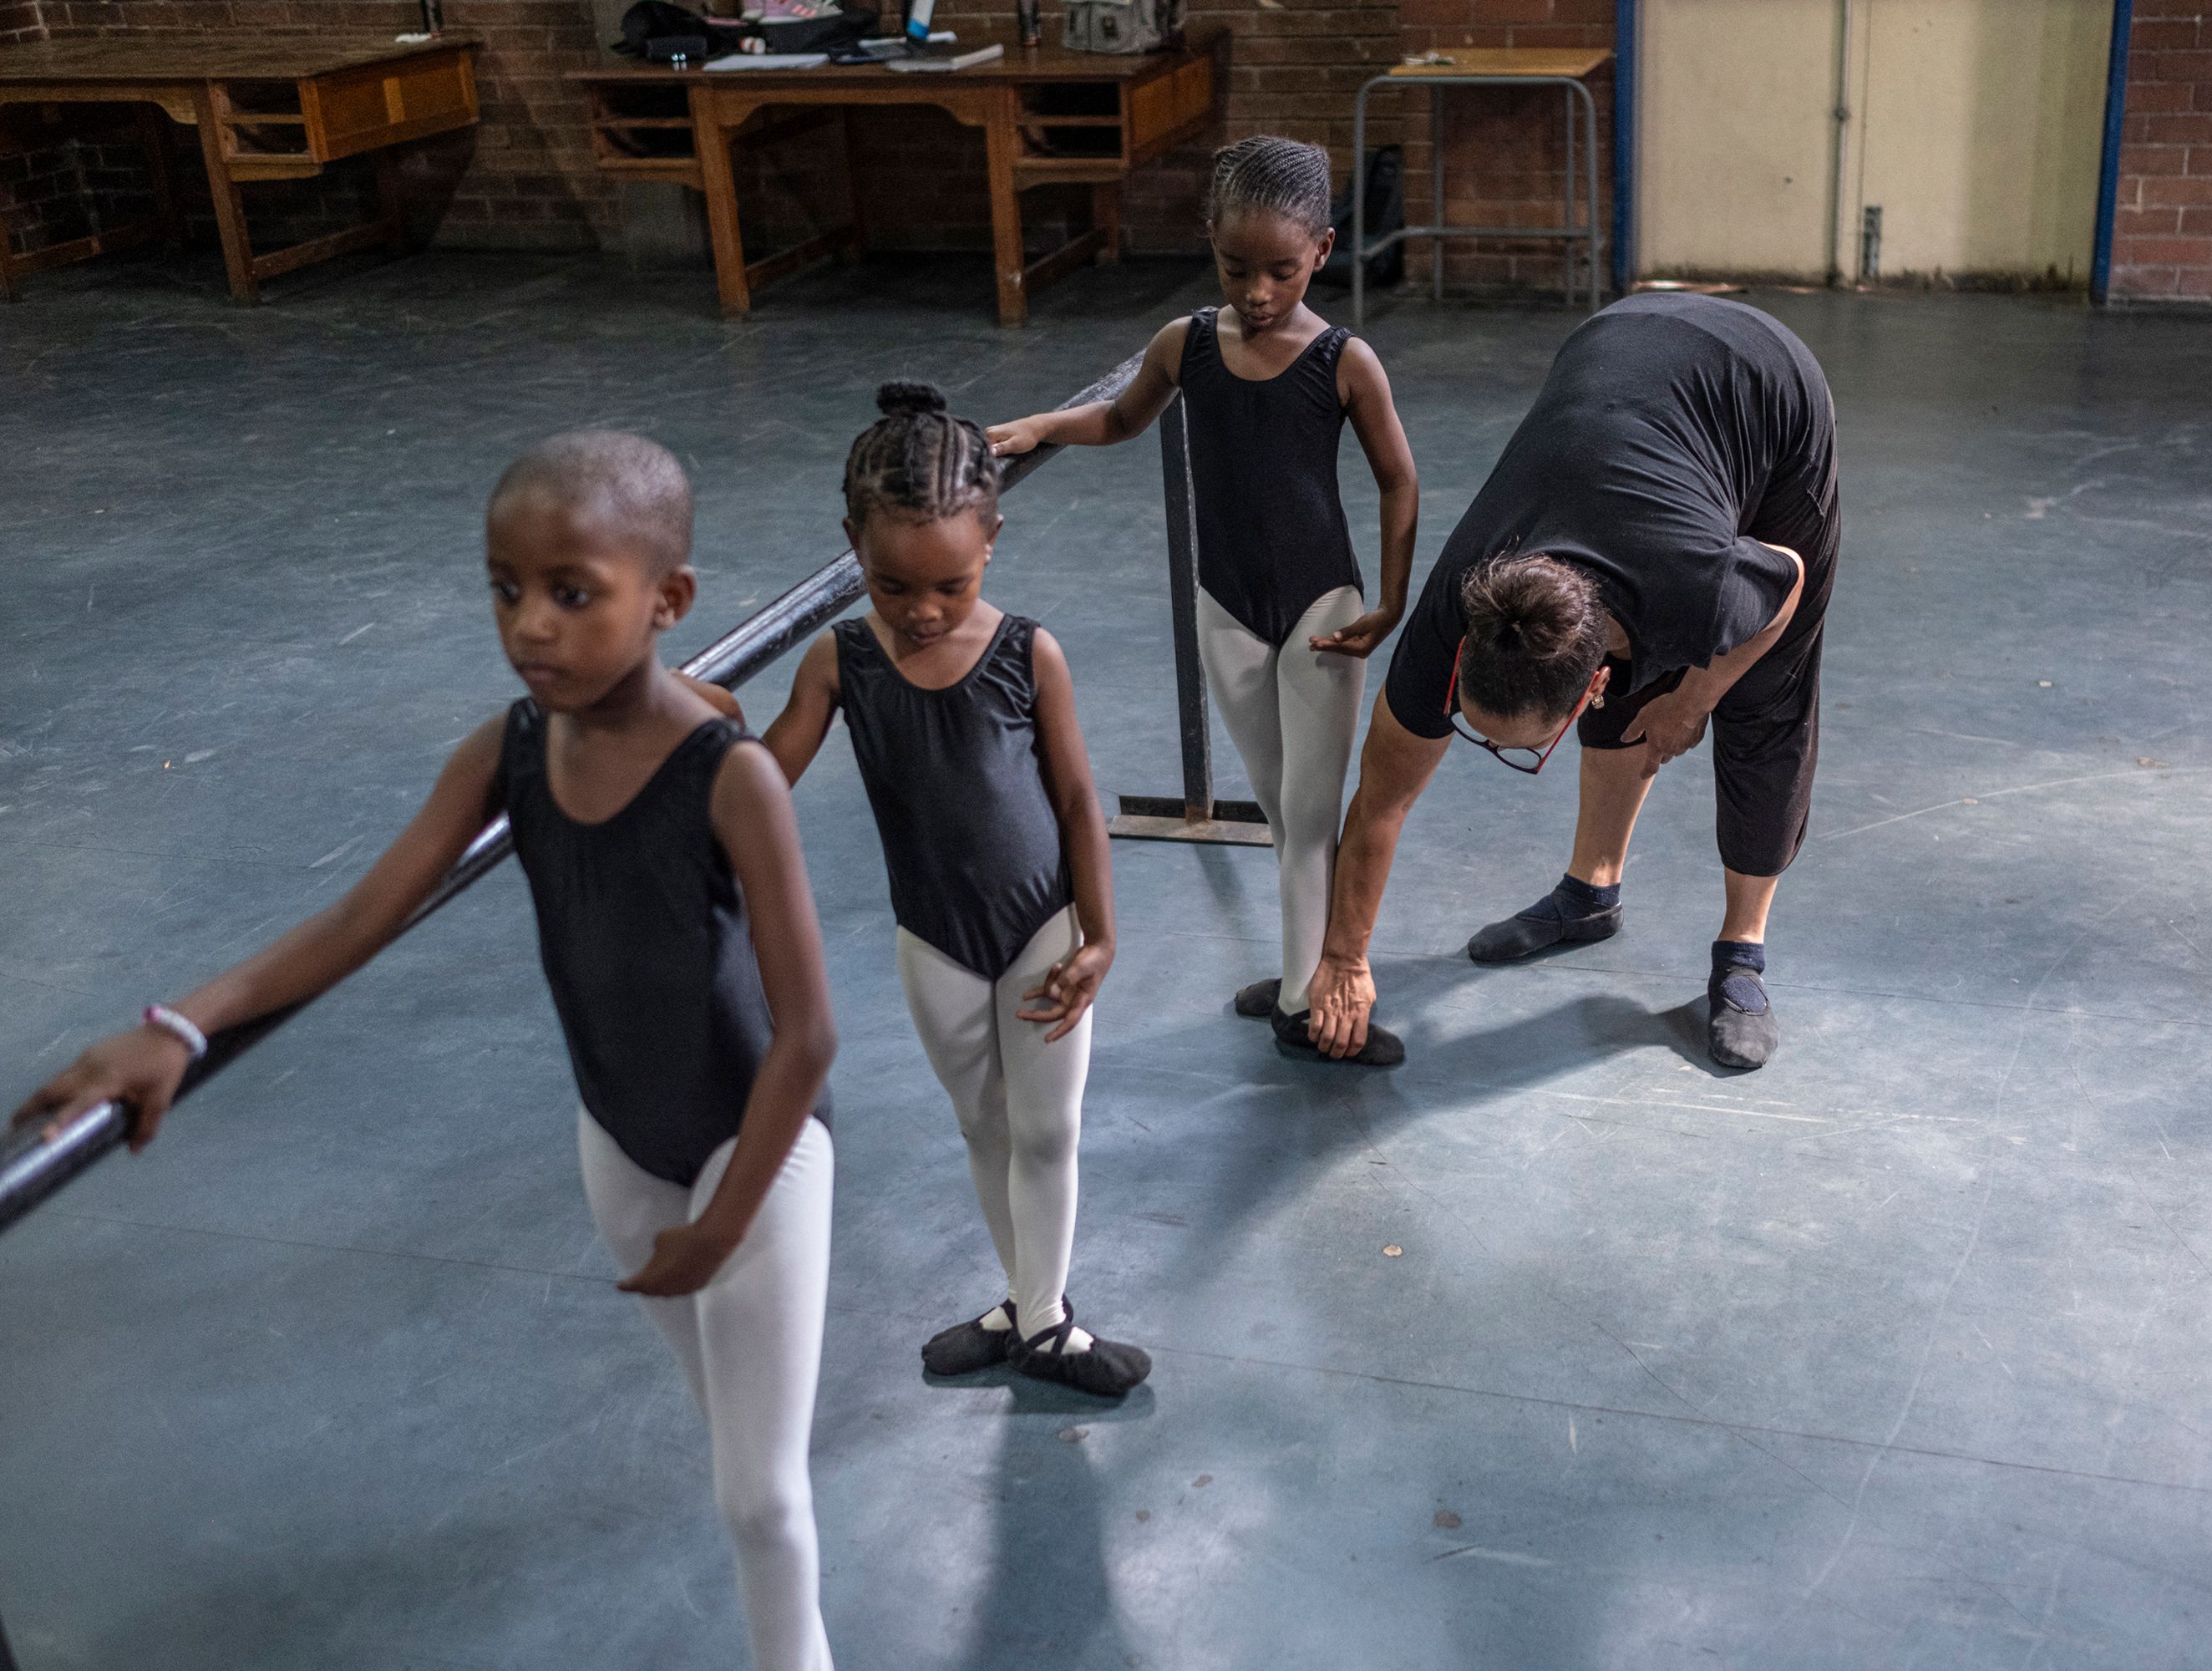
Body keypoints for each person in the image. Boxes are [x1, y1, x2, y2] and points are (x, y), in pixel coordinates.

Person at [13, 433, 843, 1671]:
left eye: (573, 592)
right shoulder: (507, 751)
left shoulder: (728, 780)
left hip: (754, 1152)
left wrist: (727, 1224)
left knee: (759, 1497)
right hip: (619, 1145)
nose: (531, 627)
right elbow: (359, 916)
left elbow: (810, 1033)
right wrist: (175, 1030)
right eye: (506, 589)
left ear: (667, 600)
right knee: (723, 1421)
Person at [1302, 292, 1841, 1072]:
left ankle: (1743, 955)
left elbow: (1785, 583)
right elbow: (1381, 800)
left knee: (1764, 696)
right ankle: (1591, 895)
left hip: (1770, 392)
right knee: (1633, 655)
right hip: (1619, 345)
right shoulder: (1459, 605)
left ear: (1593, 685)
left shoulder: (1697, 585)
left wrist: (1693, 700)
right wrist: (1345, 958)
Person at [987, 134, 1419, 1069]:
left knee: (1309, 814)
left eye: (1281, 271)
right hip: (1224, 607)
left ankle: (1310, 1002)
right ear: (1209, 245)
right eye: (1236, 268)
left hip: (1322, 611)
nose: (1258, 292)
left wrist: (1391, 600)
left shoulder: (1344, 360)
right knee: (1275, 805)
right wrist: (1038, 425)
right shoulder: (1185, 344)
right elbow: (1119, 417)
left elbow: (1399, 478)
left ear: (1324, 251)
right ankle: (1301, 969)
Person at [758, 382, 1149, 1397]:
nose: (924, 612)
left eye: (951, 585)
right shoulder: (837, 663)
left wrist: (1098, 936)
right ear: (853, 547)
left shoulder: (1028, 654)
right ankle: (1024, 1305)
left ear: (993, 542)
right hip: (933, 940)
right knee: (985, 1125)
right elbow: (763, 780)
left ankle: (1048, 1319)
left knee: (1048, 1128)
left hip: (1041, 930)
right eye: (893, 587)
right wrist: (690, 730)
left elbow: (1073, 798)